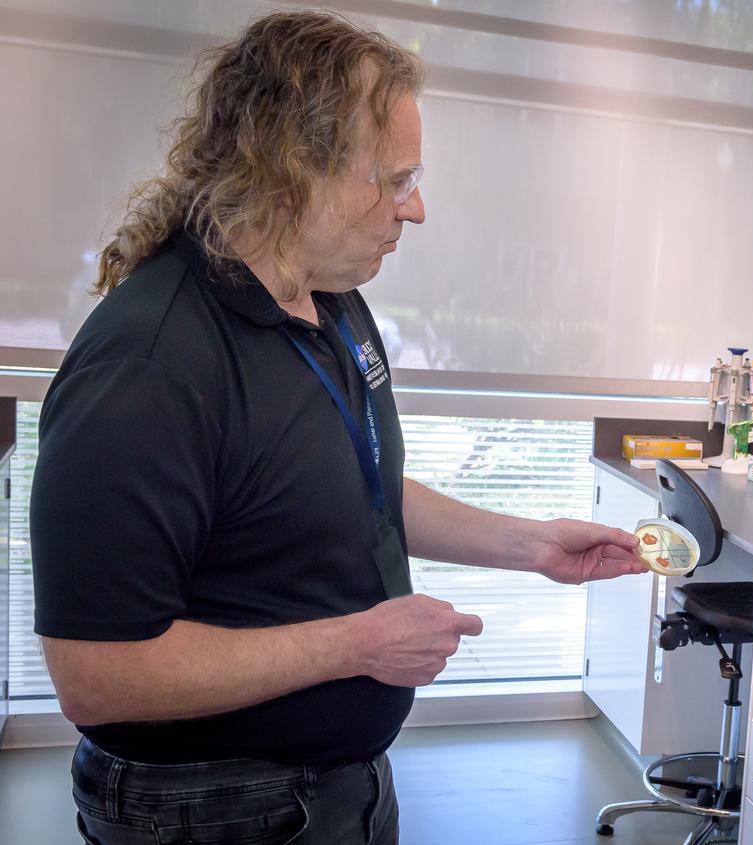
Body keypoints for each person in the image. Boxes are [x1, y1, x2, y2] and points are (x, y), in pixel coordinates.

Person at [30, 11, 647, 844]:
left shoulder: (330, 299)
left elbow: (350, 482)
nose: (415, 208)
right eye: (394, 180)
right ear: (292, 169)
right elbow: (96, 673)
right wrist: (356, 646)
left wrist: (529, 544)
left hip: (338, 787)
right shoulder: (150, 364)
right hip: (214, 807)